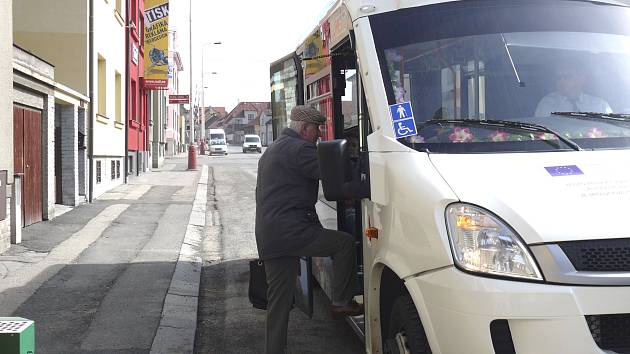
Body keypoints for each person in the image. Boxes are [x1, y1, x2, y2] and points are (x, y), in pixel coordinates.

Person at [255, 106, 363, 354]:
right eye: (317, 130)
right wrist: (360, 183)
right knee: (344, 244)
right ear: (304, 129)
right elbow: (332, 177)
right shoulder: (301, 149)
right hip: (292, 232)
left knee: (278, 304)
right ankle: (341, 301)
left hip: (271, 236)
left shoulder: (273, 149)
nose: (319, 135)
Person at [535, 62, 612, 117]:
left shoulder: (599, 105)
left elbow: (611, 131)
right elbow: (541, 134)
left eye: (568, 76)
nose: (561, 81)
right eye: (558, 77)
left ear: (582, 79)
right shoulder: (547, 104)